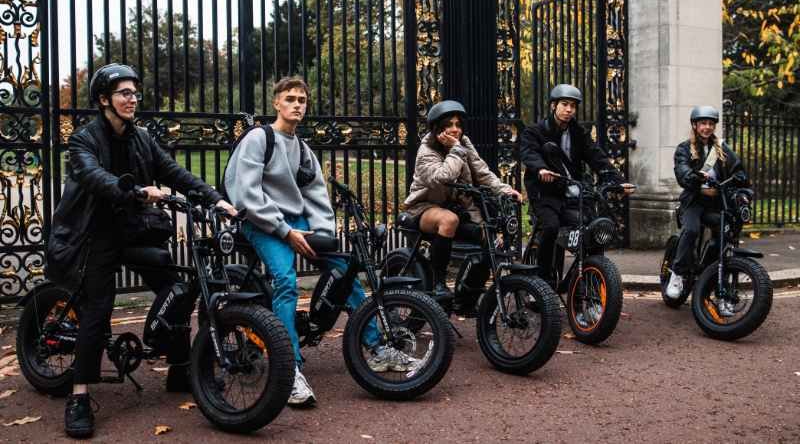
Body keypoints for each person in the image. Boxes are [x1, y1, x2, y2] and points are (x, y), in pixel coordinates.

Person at [47, 63, 237, 438]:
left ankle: (182, 368)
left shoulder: (142, 137)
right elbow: (93, 177)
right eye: (123, 93)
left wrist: (216, 199)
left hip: (134, 232)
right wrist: (134, 190)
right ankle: (80, 396)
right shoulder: (85, 139)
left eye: (134, 92)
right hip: (95, 234)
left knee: (177, 286)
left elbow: (174, 172)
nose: (132, 99)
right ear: (104, 99)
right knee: (100, 308)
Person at [224, 76, 418, 409]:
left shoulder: (302, 148)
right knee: (285, 281)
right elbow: (245, 193)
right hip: (260, 221)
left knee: (344, 272)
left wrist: (323, 231)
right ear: (276, 103)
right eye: (290, 98)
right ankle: (289, 371)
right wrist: (285, 231)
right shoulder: (259, 138)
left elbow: (316, 194)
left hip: (297, 223)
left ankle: (376, 349)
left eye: (302, 99)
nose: (297, 104)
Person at [402, 100, 523, 313]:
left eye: (458, 124)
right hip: (424, 206)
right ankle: (439, 282)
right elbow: (442, 177)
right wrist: (455, 150)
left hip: (460, 207)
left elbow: (482, 172)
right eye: (449, 124)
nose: (455, 129)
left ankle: (466, 297)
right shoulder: (426, 150)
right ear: (437, 127)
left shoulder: (463, 142)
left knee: (489, 238)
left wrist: (505, 189)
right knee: (449, 220)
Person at [519, 84, 633, 282]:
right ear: (553, 106)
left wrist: (618, 182)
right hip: (544, 194)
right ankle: (542, 281)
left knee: (593, 230)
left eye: (573, 105)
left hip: (570, 194)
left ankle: (588, 281)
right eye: (564, 104)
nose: (569, 109)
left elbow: (597, 158)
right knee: (551, 227)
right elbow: (529, 153)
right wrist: (540, 169)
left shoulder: (579, 132)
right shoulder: (535, 131)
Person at [666, 105, 748, 309]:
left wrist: (741, 181)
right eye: (703, 123)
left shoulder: (721, 148)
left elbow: (738, 170)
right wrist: (693, 176)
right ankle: (677, 273)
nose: (707, 127)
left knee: (725, 233)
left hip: (714, 204)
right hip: (694, 201)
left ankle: (711, 277)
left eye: (711, 124)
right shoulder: (684, 148)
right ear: (695, 125)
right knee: (691, 230)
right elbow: (682, 171)